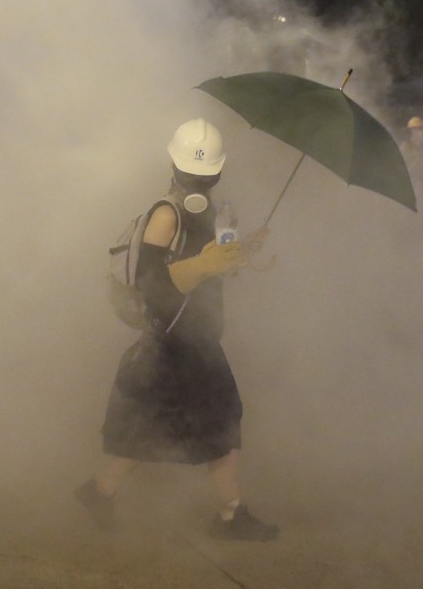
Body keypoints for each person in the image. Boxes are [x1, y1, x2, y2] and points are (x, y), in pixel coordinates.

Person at [76, 118, 279, 541]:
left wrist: (234, 256)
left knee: (151, 423)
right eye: (197, 175)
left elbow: (203, 273)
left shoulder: (200, 215)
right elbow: (154, 286)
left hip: (190, 336)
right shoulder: (167, 214)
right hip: (178, 339)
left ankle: (101, 491)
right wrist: (207, 264)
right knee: (222, 419)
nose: (200, 183)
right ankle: (229, 516)